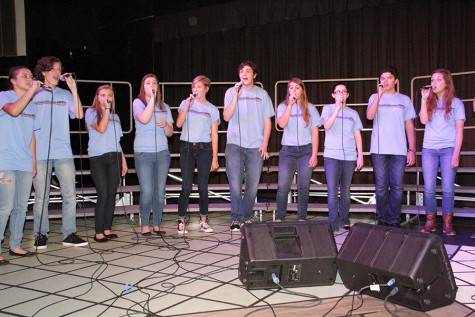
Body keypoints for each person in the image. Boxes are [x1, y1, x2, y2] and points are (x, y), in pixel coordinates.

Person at [32, 56, 88, 248]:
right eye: (53, 69)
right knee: (41, 196)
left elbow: (80, 115)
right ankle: (41, 233)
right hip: (39, 153)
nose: (57, 72)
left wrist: (73, 89)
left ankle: (69, 233)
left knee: (70, 195)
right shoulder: (34, 94)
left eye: (59, 69)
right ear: (43, 72)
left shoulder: (65, 95)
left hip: (63, 151)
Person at [223, 60, 274, 231]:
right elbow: (226, 116)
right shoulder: (231, 92)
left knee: (252, 187)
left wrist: (265, 144)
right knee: (236, 185)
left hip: (255, 146)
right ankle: (236, 219)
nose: (244, 74)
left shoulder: (263, 94)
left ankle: (246, 216)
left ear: (254, 75)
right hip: (234, 145)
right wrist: (236, 96)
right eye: (241, 71)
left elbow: (268, 122)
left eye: (248, 71)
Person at [0, 66, 41, 264]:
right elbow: (15, 111)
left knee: (21, 207)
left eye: (31, 76)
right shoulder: (3, 96)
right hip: (5, 160)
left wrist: (33, 161)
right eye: (24, 76)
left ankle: (15, 245)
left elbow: (33, 136)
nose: (29, 79)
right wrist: (33, 90)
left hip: (24, 161)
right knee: (5, 206)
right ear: (13, 80)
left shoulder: (33, 106)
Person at [366, 66, 416, 227]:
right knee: (381, 186)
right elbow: (369, 116)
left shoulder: (404, 100)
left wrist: (412, 149)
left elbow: (409, 126)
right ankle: (382, 218)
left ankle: (394, 218)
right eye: (382, 78)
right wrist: (379, 96)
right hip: (379, 150)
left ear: (395, 80)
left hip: (399, 150)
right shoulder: (375, 96)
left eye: (388, 78)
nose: (385, 81)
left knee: (397, 186)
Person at [419, 69, 465, 236]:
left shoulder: (456, 103)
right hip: (429, 149)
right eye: (432, 79)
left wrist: (456, 154)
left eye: (438, 79)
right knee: (429, 188)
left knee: (447, 189)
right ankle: (430, 221)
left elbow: (460, 131)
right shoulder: (428, 101)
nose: (434, 82)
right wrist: (424, 100)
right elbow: (423, 120)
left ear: (447, 83)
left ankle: (447, 222)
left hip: (448, 149)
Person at [175, 75, 220, 234]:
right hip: (187, 147)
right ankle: (181, 219)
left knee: (202, 186)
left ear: (206, 88)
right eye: (194, 86)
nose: (195, 89)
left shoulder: (212, 109)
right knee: (186, 185)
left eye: (199, 86)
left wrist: (215, 157)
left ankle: (203, 220)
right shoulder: (185, 103)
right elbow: (178, 124)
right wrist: (187, 107)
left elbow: (214, 134)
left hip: (204, 149)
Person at [85, 85, 128, 242]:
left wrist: (123, 160)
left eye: (109, 95)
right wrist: (106, 110)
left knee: (111, 194)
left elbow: (118, 141)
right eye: (103, 95)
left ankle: (107, 228)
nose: (106, 97)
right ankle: (98, 232)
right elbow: (101, 129)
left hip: (114, 156)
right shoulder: (91, 113)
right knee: (103, 194)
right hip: (98, 158)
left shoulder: (115, 117)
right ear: (97, 97)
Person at [275, 78, 320, 222]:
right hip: (288, 150)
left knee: (303, 186)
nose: (294, 90)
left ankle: (302, 217)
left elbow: (315, 132)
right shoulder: (282, 106)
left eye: (297, 88)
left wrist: (314, 154)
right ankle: (280, 217)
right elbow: (281, 124)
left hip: (306, 150)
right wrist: (290, 106)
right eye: (291, 88)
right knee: (283, 185)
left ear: (302, 90)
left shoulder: (310, 108)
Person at [133, 74, 173, 236]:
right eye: (148, 83)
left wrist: (165, 125)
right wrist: (151, 100)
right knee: (147, 190)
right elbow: (144, 119)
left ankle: (157, 223)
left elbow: (170, 133)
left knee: (159, 191)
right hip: (143, 152)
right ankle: (144, 224)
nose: (152, 85)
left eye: (154, 83)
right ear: (143, 87)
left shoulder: (165, 106)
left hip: (162, 152)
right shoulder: (138, 103)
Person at [322, 83, 364, 231]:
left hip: (350, 156)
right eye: (338, 92)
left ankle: (344, 220)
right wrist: (338, 109)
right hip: (332, 156)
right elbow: (326, 126)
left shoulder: (353, 114)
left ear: (347, 95)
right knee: (332, 190)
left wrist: (360, 155)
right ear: (333, 95)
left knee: (346, 190)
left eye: (344, 92)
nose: (341, 94)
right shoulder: (327, 109)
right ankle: (333, 222)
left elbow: (357, 135)